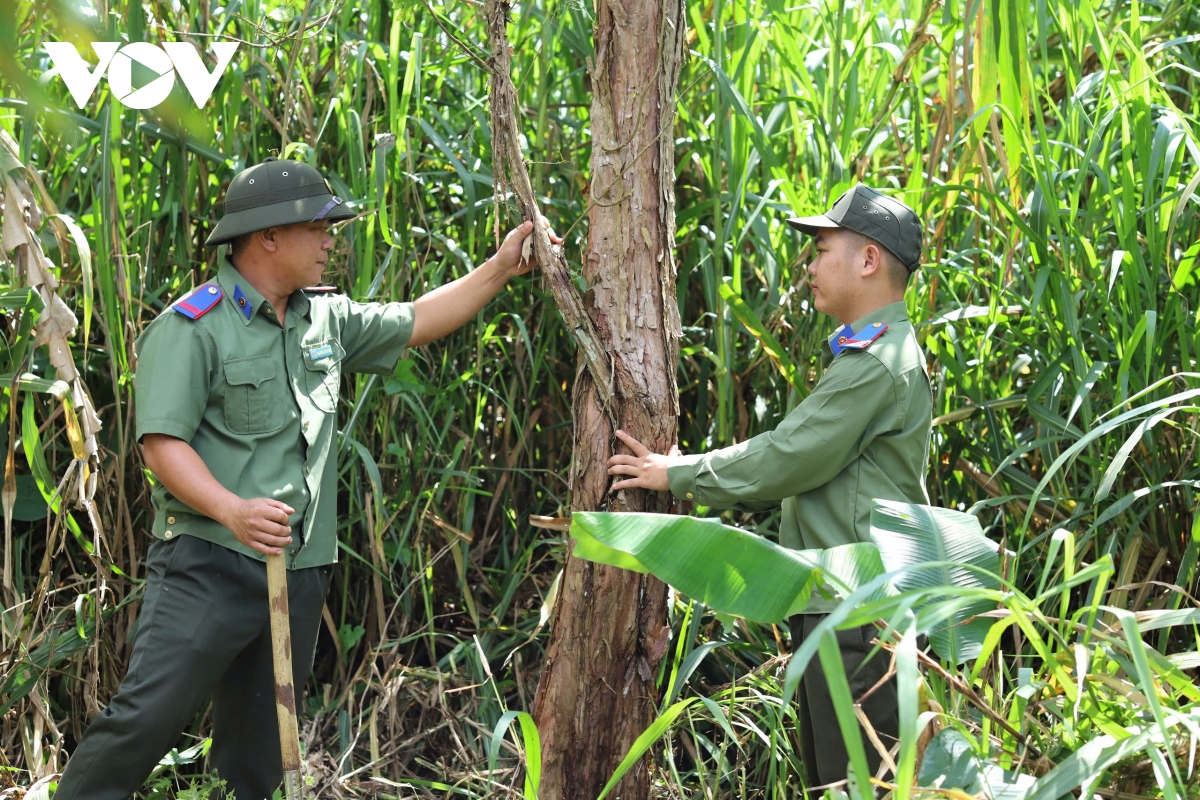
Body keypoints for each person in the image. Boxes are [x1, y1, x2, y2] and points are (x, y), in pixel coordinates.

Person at [54, 158, 556, 800]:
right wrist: (232, 509)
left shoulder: (326, 319)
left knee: (262, 755)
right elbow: (161, 445)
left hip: (298, 571)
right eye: (318, 226)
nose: (331, 240)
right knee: (145, 721)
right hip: (208, 561)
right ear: (267, 236)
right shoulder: (192, 328)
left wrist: (502, 266)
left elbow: (418, 321)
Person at [607, 185, 932, 793]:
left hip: (856, 611)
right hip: (843, 606)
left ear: (867, 261)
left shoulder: (877, 362)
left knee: (856, 787)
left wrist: (675, 473)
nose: (809, 266)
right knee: (838, 782)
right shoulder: (874, 355)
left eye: (821, 249)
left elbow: (788, 457)